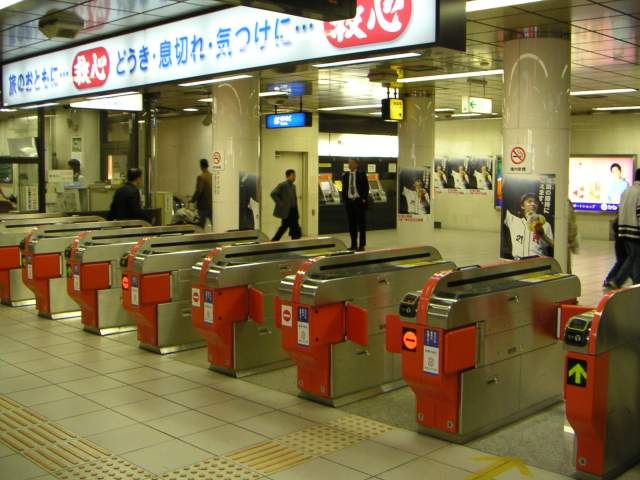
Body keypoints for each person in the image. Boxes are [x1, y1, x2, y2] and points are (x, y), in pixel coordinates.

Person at [504, 192, 554, 258]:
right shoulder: (513, 220)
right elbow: (501, 204)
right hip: (518, 263)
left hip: (538, 262)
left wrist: (543, 235)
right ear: (522, 206)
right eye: (529, 201)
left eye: (535, 202)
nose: (533, 204)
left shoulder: (545, 224)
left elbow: (555, 246)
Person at [612, 168, 640, 285]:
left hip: (623, 230)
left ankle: (635, 281)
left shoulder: (626, 191)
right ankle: (618, 280)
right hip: (635, 231)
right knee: (634, 258)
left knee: (633, 257)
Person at [341, 159, 369, 251]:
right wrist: (345, 200)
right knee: (351, 225)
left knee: (361, 225)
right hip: (349, 203)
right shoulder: (345, 176)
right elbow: (344, 189)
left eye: (352, 163)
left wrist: (363, 199)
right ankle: (353, 244)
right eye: (349, 163)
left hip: (359, 202)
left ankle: (362, 245)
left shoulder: (361, 175)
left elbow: (366, 187)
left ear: (356, 165)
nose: (350, 165)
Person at [271, 169, 301, 241]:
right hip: (287, 211)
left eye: (295, 176)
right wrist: (280, 203)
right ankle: (274, 240)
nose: (294, 177)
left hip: (293, 210)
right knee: (284, 226)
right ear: (288, 176)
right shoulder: (282, 185)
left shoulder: (293, 186)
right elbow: (273, 193)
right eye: (293, 176)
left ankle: (295, 241)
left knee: (295, 226)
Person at [604, 218, 629, 289]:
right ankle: (611, 280)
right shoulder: (624, 219)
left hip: (620, 241)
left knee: (622, 262)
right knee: (622, 261)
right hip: (622, 242)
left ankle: (611, 279)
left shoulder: (620, 218)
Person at [191, 158, 212, 229]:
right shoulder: (212, 176)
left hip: (203, 207)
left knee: (199, 227)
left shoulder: (201, 177)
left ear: (201, 166)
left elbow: (198, 191)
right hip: (211, 206)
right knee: (214, 225)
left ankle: (199, 240)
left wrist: (192, 200)